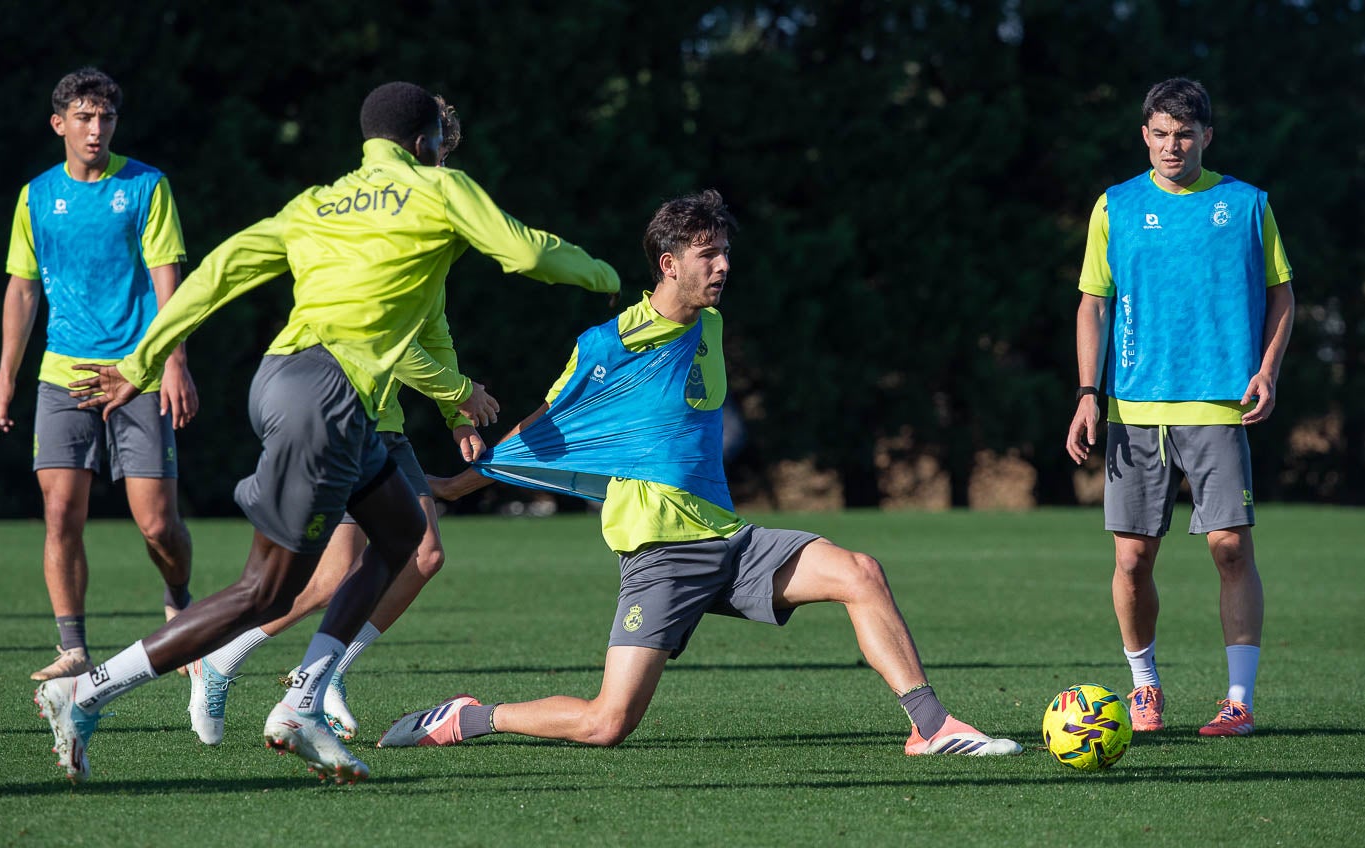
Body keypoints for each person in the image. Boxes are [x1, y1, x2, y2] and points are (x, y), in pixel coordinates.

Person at [32, 81, 619, 784]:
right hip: (329, 398)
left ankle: (303, 701)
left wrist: (142, 361)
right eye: (440, 141)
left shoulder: (316, 202)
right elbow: (526, 254)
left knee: (404, 536)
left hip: (293, 382)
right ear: (426, 141)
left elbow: (217, 272)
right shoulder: (440, 187)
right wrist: (602, 275)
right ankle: (87, 691)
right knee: (265, 592)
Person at [380, 190, 1022, 757]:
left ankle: (932, 728)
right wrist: (458, 485)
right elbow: (549, 430)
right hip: (660, 555)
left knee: (860, 572)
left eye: (725, 253)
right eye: (707, 254)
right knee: (607, 724)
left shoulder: (710, 325)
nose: (723, 266)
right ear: (669, 264)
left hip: (729, 541)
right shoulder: (608, 345)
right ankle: (469, 717)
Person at [184, 96, 599, 745]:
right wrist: (461, 392)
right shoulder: (396, 214)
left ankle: (307, 678)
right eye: (439, 152)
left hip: (381, 418)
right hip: (345, 411)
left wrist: (455, 414)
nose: (444, 166)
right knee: (342, 572)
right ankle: (240, 665)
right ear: (420, 146)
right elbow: (389, 341)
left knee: (415, 556)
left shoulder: (430, 220)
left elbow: (430, 328)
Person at [1065, 78, 1294, 738]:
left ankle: (1238, 702)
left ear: (1206, 137)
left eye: (1185, 135)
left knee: (1230, 548)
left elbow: (1281, 294)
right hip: (1134, 408)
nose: (1172, 146)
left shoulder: (1246, 204)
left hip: (1219, 403)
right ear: (1145, 135)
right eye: (1161, 134)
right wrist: (1087, 393)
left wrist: (1267, 371)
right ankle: (1144, 687)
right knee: (1132, 561)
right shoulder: (1115, 206)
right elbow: (1093, 303)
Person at [0, 67, 197, 682]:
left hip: (137, 374)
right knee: (60, 513)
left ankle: (178, 599)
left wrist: (174, 362)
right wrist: (5, 377)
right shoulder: (36, 196)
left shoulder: (147, 185)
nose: (95, 128)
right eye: (83, 117)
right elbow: (23, 290)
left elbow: (168, 281)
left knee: (158, 525)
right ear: (59, 124)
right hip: (63, 375)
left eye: (105, 117)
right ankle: (74, 648)